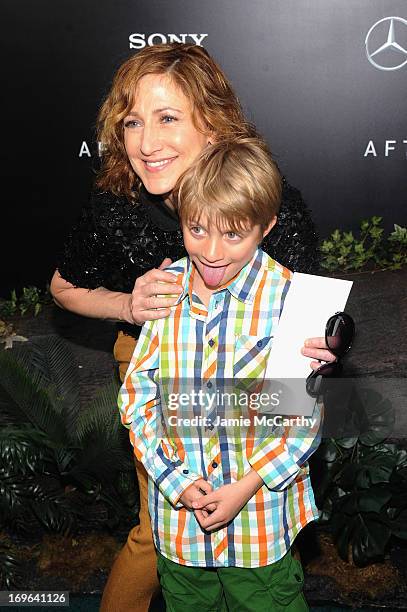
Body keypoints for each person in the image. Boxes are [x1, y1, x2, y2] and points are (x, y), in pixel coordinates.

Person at [50, 43, 335, 612]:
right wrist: (128, 307)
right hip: (155, 355)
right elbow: (62, 286)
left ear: (211, 123)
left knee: (258, 529)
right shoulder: (117, 199)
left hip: (255, 373)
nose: (146, 142)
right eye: (132, 122)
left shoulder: (257, 191)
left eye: (167, 118)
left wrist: (328, 343)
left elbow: (313, 324)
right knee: (158, 529)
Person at [119, 137, 321, 611]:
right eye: (197, 229)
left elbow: (301, 420)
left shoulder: (292, 301)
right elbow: (137, 399)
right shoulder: (164, 292)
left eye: (233, 234)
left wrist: (245, 488)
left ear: (265, 227)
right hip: (180, 530)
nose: (211, 251)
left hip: (260, 527)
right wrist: (177, 481)